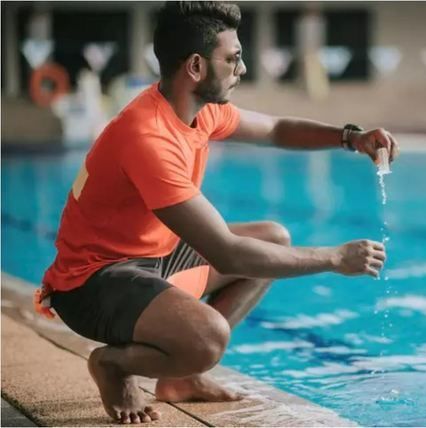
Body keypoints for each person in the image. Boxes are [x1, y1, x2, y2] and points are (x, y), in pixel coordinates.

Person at [35, 1, 399, 424]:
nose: (241, 69)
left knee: (272, 239)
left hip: (151, 259)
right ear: (195, 66)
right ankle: (115, 365)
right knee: (208, 336)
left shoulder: (198, 110)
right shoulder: (147, 137)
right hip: (93, 282)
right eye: (233, 58)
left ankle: (181, 377)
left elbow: (277, 129)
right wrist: (335, 259)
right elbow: (228, 254)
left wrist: (351, 138)